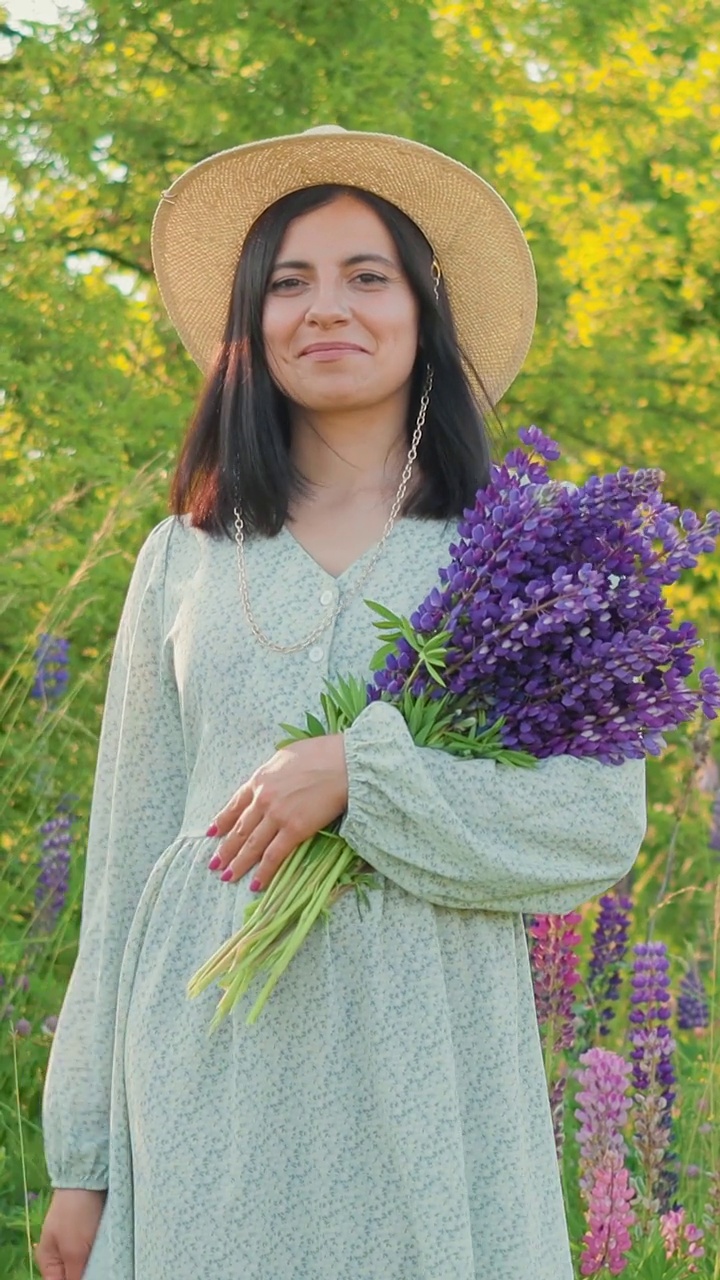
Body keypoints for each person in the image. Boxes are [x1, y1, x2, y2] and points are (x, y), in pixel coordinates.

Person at [36, 125, 647, 1280]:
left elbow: (595, 821)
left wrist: (364, 779)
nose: (328, 309)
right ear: (250, 327)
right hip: (206, 1065)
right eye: (289, 283)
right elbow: (120, 865)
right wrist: (84, 1157)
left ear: (425, 310)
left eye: (367, 277)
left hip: (430, 1065)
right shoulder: (184, 556)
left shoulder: (522, 554)